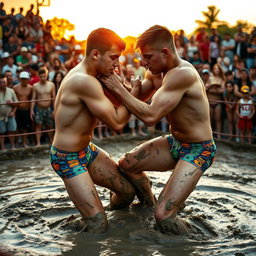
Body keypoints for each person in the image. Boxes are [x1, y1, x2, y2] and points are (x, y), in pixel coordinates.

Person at [101, 25, 216, 235]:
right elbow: (138, 100)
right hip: (175, 142)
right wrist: (117, 84)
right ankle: (148, 204)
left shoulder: (183, 74)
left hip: (199, 149)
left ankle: (198, 240)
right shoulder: (155, 71)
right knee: (127, 164)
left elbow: (150, 116)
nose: (143, 63)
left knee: (163, 216)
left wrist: (118, 89)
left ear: (165, 52)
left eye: (148, 57)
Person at [49, 28, 137, 234]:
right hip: (66, 157)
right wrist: (131, 91)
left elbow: (115, 105)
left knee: (127, 193)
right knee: (98, 224)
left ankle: (97, 211)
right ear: (95, 54)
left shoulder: (93, 75)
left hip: (86, 150)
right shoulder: (84, 81)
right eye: (113, 58)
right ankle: (90, 221)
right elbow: (117, 123)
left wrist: (121, 88)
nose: (117, 64)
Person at [30, 67, 55, 146]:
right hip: (39, 108)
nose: (43, 78)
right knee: (38, 125)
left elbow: (53, 98)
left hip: (48, 108)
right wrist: (31, 110)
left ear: (47, 75)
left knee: (50, 125)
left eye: (44, 76)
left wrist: (54, 110)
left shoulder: (51, 85)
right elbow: (33, 98)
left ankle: (51, 141)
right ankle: (38, 143)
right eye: (41, 77)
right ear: (38, 76)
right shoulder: (35, 86)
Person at [13, 71, 33, 147]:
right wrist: (14, 111)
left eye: (25, 79)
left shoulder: (31, 88)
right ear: (20, 79)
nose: (24, 80)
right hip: (18, 110)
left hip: (26, 110)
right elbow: (14, 99)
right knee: (17, 128)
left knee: (25, 128)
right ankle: (17, 143)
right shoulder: (15, 88)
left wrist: (31, 110)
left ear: (28, 79)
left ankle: (24, 143)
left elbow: (32, 100)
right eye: (22, 79)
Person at [0, 74, 18, 151]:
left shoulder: (11, 91)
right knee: (1, 132)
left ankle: (12, 146)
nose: (2, 84)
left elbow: (17, 103)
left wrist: (13, 111)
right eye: (0, 82)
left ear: (7, 82)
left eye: (4, 82)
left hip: (10, 115)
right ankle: (3, 147)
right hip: (0, 116)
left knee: (12, 131)